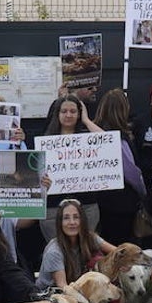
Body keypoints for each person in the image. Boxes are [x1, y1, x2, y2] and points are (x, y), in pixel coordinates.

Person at [35, 93, 103, 240]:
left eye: (73, 111)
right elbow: (36, 172)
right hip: (53, 207)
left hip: (86, 205)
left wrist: (86, 120)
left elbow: (109, 142)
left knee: (85, 249)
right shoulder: (46, 140)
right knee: (57, 250)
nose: (68, 115)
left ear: (79, 114)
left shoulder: (88, 137)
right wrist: (42, 181)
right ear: (57, 114)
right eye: (64, 111)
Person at [90, 88, 147, 245]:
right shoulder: (119, 137)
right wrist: (142, 191)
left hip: (100, 201)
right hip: (123, 203)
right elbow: (131, 172)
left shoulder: (92, 135)